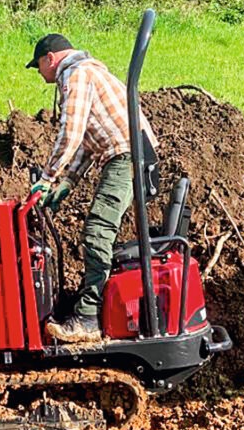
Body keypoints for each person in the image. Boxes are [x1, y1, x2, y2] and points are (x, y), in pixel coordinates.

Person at [27, 33, 158, 343]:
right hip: (130, 153)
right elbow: (88, 140)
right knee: (99, 230)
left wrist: (46, 180)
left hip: (127, 156)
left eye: (38, 66)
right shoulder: (89, 70)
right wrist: (68, 182)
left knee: (97, 231)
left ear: (50, 58)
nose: (40, 73)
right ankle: (93, 304)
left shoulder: (75, 75)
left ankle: (89, 317)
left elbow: (70, 134)